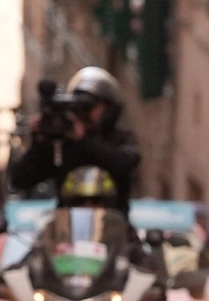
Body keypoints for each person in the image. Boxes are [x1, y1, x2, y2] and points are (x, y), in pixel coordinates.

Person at [8, 66, 139, 210]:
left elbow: (123, 164)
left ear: (109, 108)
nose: (85, 113)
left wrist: (84, 140)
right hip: (68, 227)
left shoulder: (121, 139)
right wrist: (39, 142)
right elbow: (20, 179)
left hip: (113, 227)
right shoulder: (64, 144)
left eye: (90, 106)